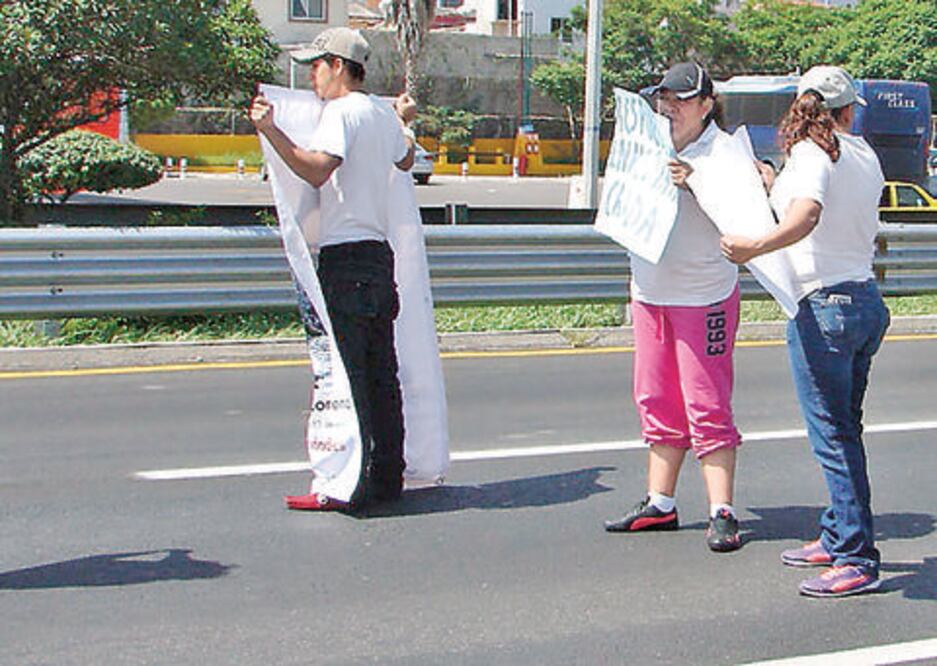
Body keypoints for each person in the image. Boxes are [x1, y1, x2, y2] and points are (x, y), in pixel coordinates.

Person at [721, 65, 889, 597]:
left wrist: (754, 247)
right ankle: (839, 532)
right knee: (846, 431)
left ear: (801, 104)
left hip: (825, 307)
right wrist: (774, 185)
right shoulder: (860, 153)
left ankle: (856, 557)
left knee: (834, 439)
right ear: (848, 109)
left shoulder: (814, 155)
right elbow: (821, 206)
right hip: (863, 302)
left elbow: (809, 215)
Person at [249, 27, 417, 511]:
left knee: (349, 374)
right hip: (379, 256)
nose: (312, 77)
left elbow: (318, 168)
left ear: (339, 66)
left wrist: (271, 130)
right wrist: (404, 119)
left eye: (317, 66)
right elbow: (406, 159)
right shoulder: (381, 117)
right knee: (382, 372)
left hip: (345, 257)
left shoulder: (340, 113)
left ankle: (352, 483)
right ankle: (388, 477)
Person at [604, 62, 743, 552]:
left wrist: (696, 183)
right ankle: (660, 501)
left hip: (703, 296)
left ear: (707, 104)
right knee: (655, 397)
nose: (672, 107)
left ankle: (721, 510)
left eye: (683, 99)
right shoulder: (650, 143)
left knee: (706, 402)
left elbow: (744, 214)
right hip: (650, 291)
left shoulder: (724, 152)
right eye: (665, 98)